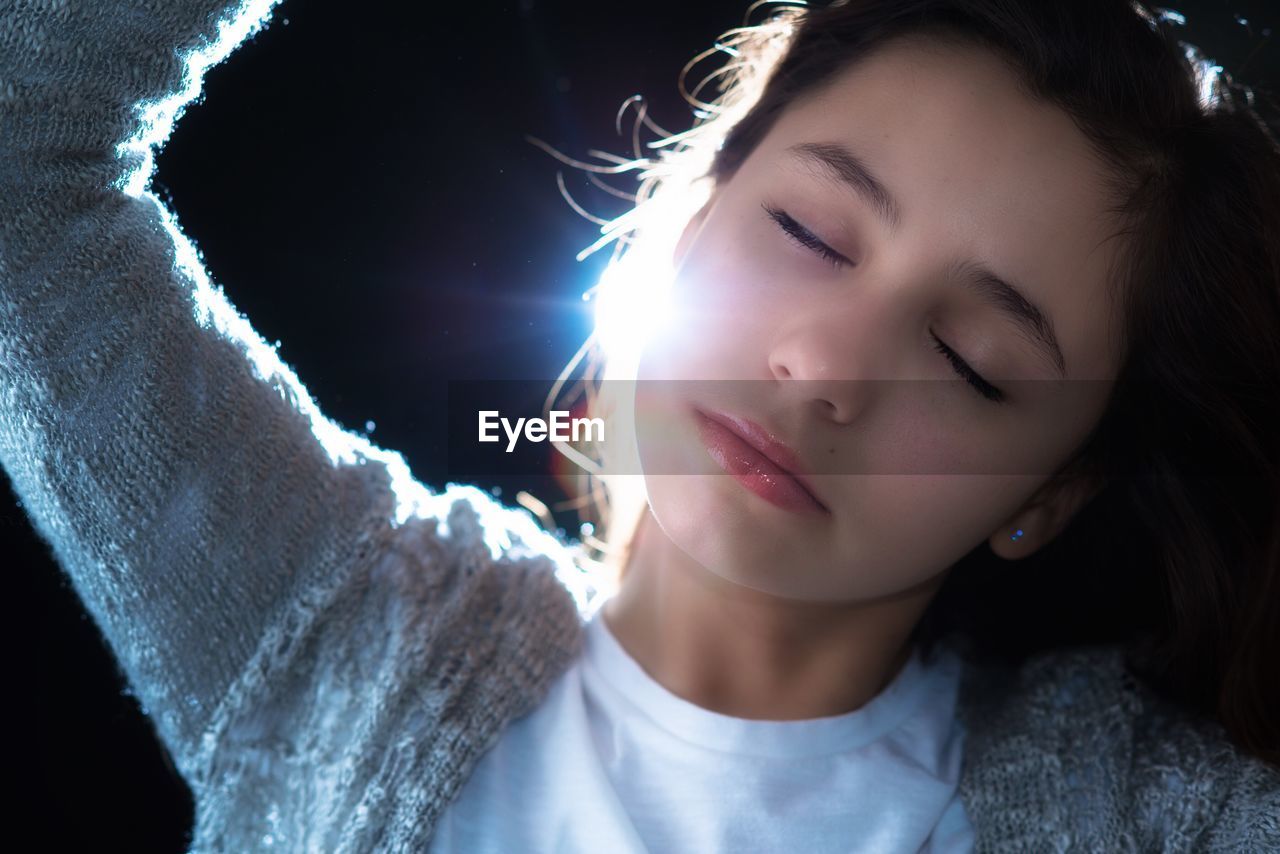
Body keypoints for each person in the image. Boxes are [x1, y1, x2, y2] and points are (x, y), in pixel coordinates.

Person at [1, 0, 1277, 851]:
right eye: (809, 232)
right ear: (686, 222)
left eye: (969, 360)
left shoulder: (1147, 814)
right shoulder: (339, 624)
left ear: (1045, 495)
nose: (823, 364)